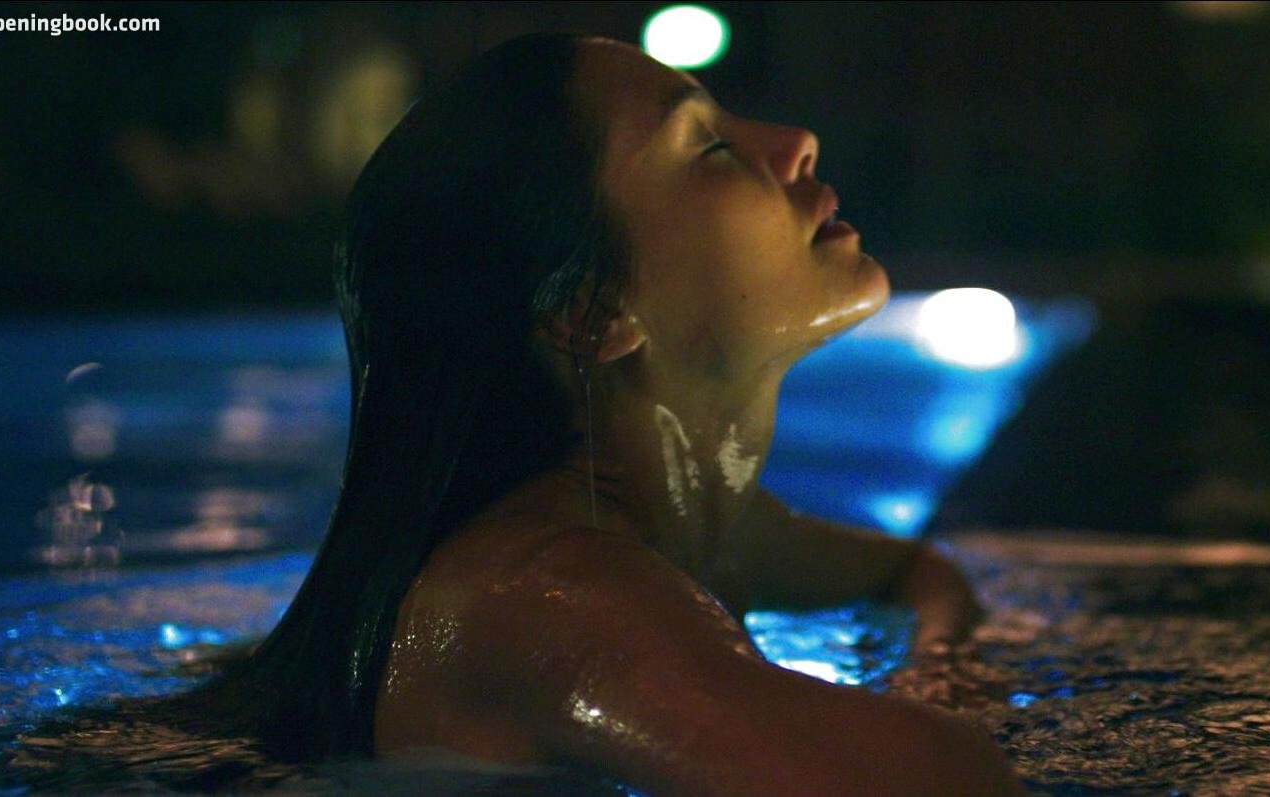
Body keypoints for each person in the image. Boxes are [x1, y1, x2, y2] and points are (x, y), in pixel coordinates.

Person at [202, 32, 1025, 796]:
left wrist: (939, 666)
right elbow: (939, 777)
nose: (794, 141)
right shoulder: (554, 595)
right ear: (592, 311)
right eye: (708, 148)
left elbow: (917, 574)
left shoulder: (707, 536)